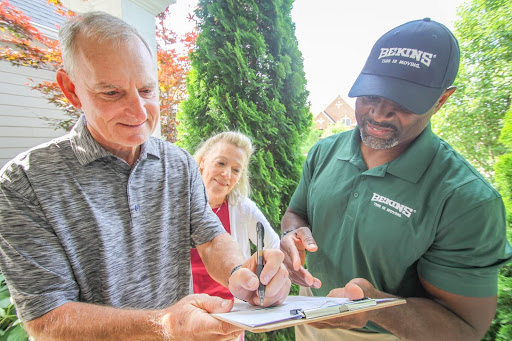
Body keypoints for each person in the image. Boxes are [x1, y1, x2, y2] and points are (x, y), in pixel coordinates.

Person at [0, 12, 290, 340]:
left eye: (147, 90)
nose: (139, 113)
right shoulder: (24, 183)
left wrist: (241, 273)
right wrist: (163, 325)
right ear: (71, 89)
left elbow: (210, 237)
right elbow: (45, 319)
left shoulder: (179, 163)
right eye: (112, 93)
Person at [280, 18, 512, 341]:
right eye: (370, 94)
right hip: (306, 324)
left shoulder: (467, 199)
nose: (379, 113)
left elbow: (465, 327)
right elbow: (297, 213)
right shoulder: (324, 152)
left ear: (441, 100)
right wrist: (292, 235)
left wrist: (374, 307)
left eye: (403, 101)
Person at [190, 132, 281, 300]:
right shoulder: (179, 204)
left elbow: (273, 244)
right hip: (187, 311)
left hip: (233, 313)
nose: (227, 174)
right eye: (221, 163)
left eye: (236, 169)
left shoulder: (242, 208)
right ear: (203, 161)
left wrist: (262, 278)